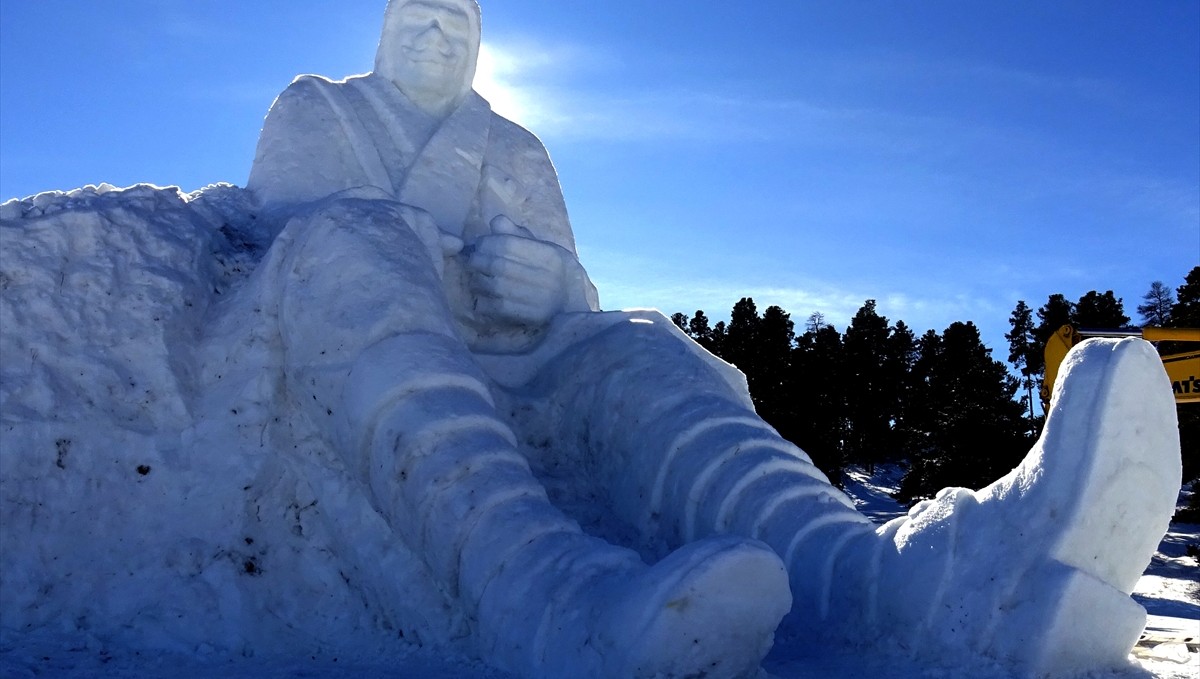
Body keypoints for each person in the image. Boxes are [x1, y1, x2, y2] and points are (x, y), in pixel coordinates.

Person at [244, 0, 1182, 676]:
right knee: (351, 240)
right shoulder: (317, 112)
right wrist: (425, 260)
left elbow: (577, 289)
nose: (437, 30)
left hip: (533, 364)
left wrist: (554, 283)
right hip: (383, 363)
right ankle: (551, 597)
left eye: (458, 18)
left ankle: (887, 584)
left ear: (482, 40)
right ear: (379, 24)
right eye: (418, 12)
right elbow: (291, 245)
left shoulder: (515, 146)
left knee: (648, 350)